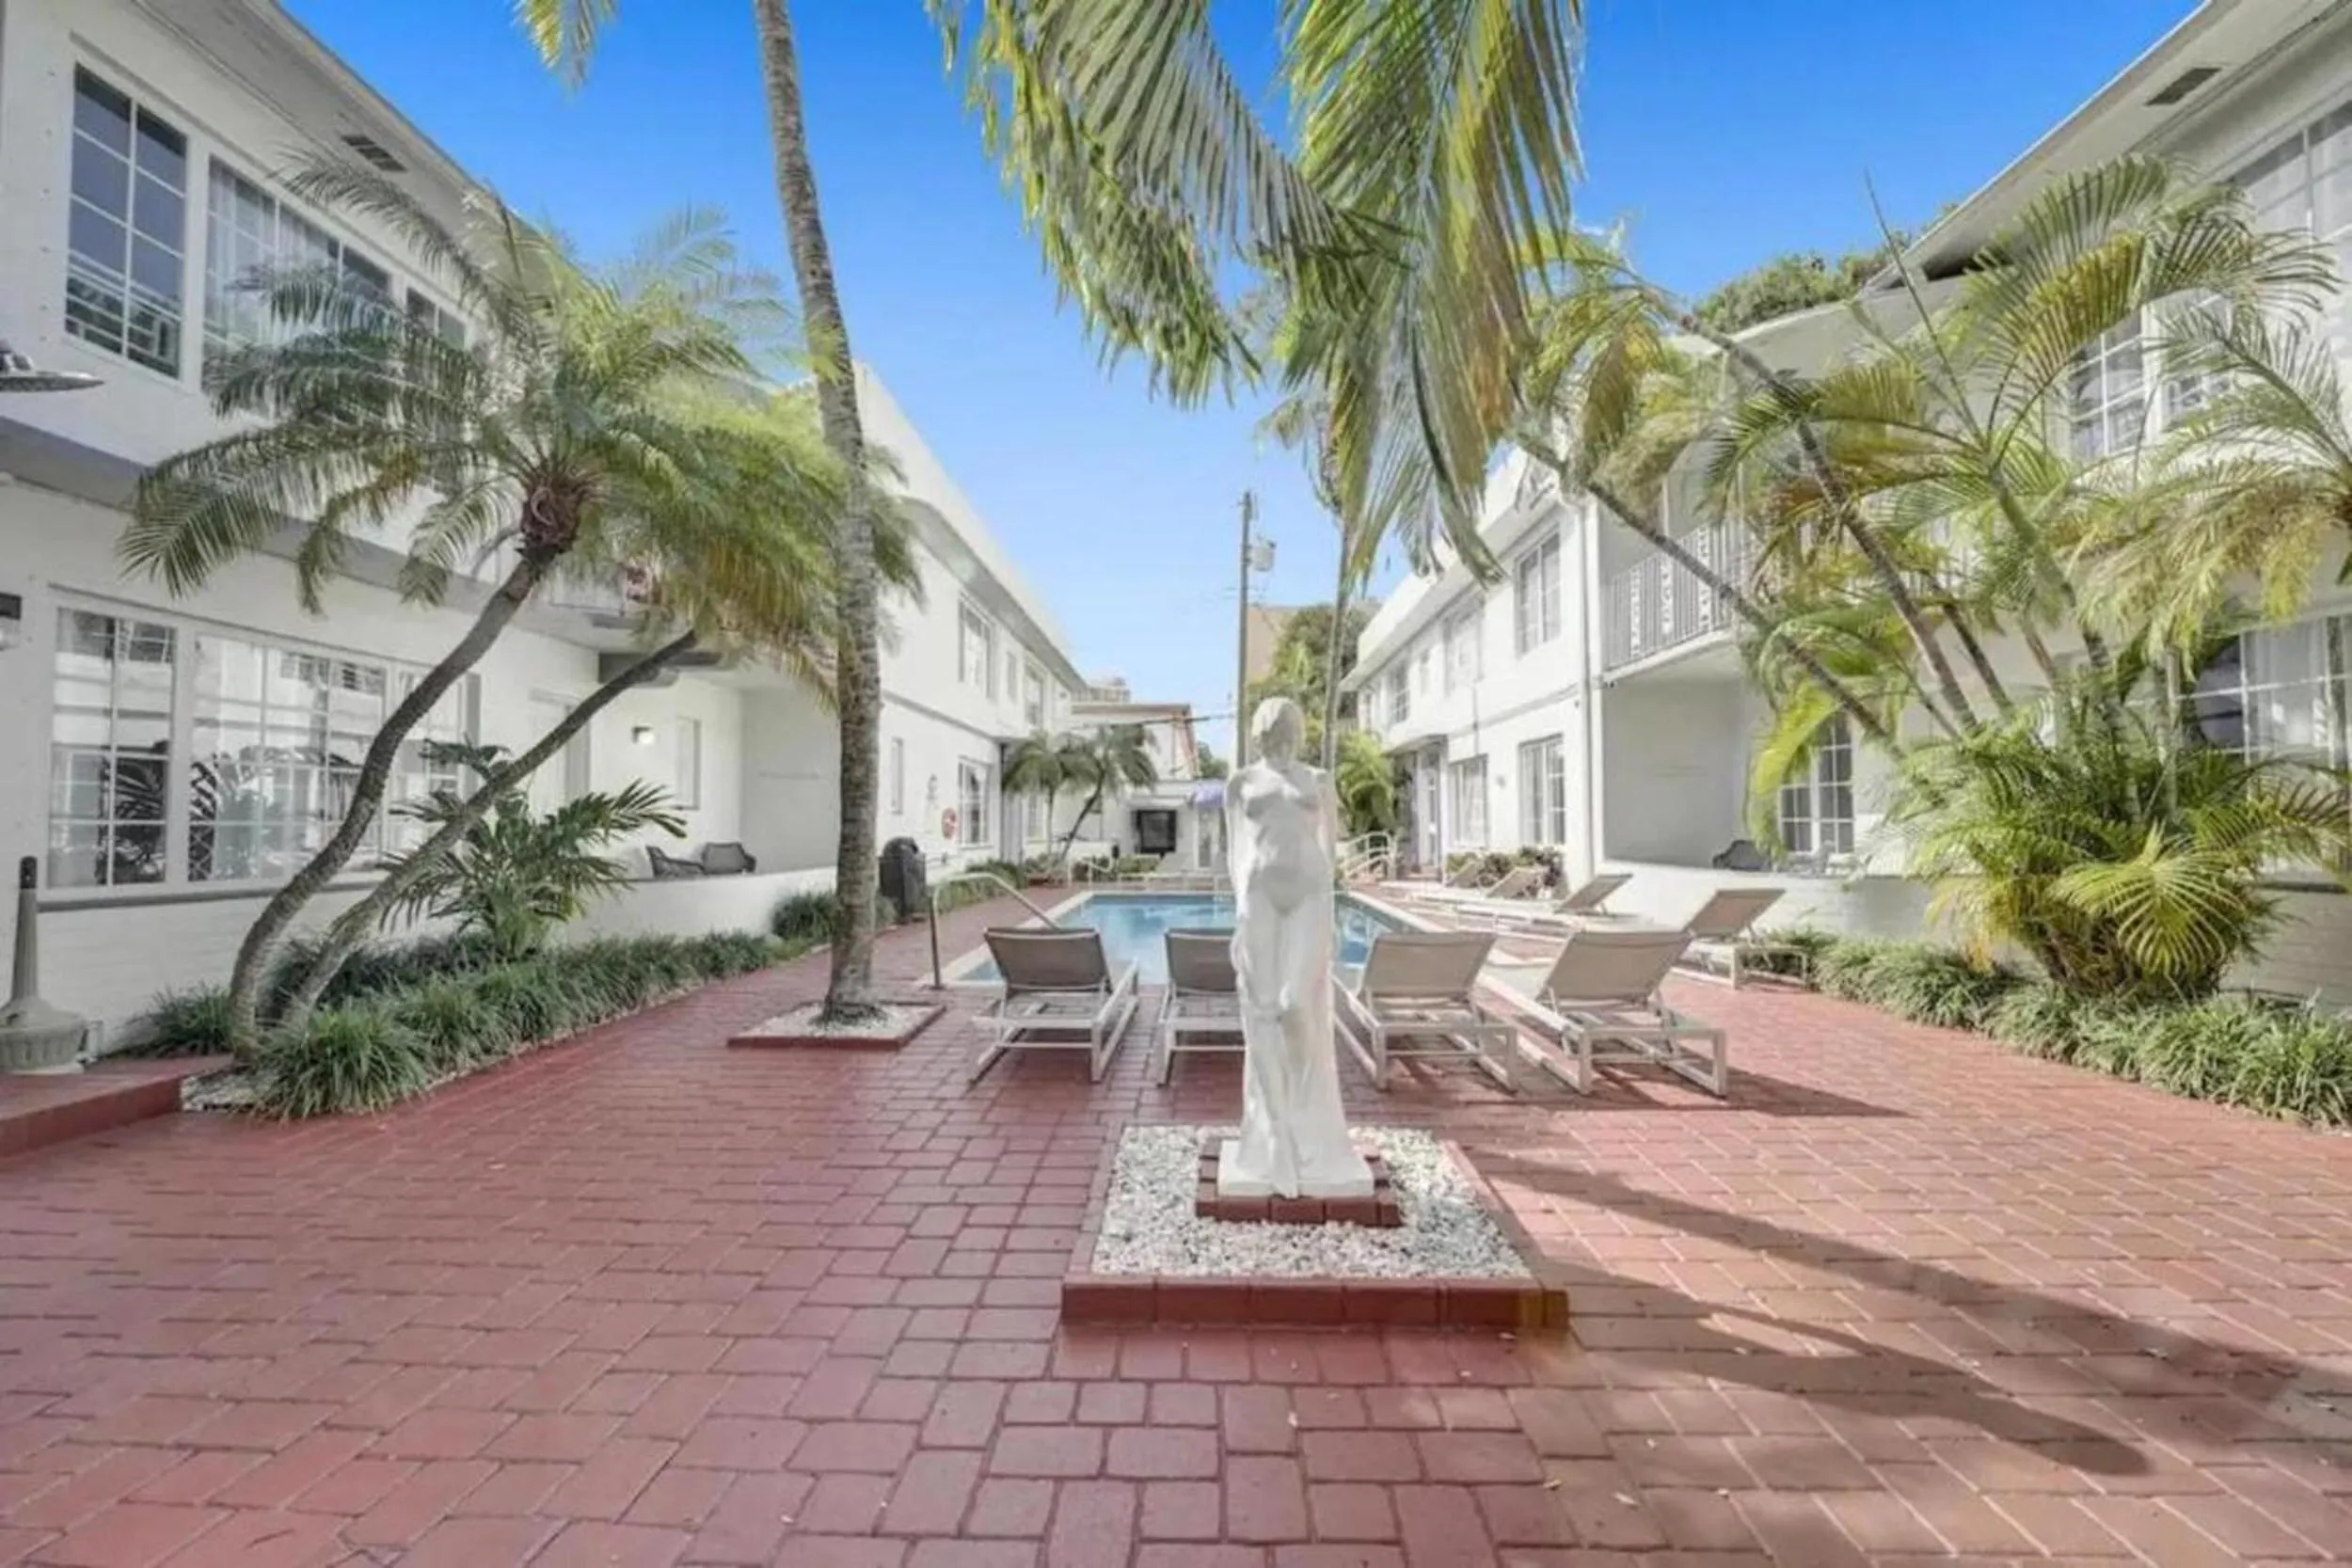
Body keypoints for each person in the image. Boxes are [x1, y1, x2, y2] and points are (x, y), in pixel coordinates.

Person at [1222, 697, 1373, 1197]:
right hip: (1261, 898)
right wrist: (1241, 909)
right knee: (1261, 1010)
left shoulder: (1320, 779)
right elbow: (1234, 850)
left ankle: (1308, 1113)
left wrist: (1330, 915)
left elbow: (1330, 851)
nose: (1280, 738)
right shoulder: (1240, 783)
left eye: (1287, 730)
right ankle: (1277, 1132)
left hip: (1308, 896)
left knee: (1294, 1006)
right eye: (1272, 730)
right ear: (1260, 732)